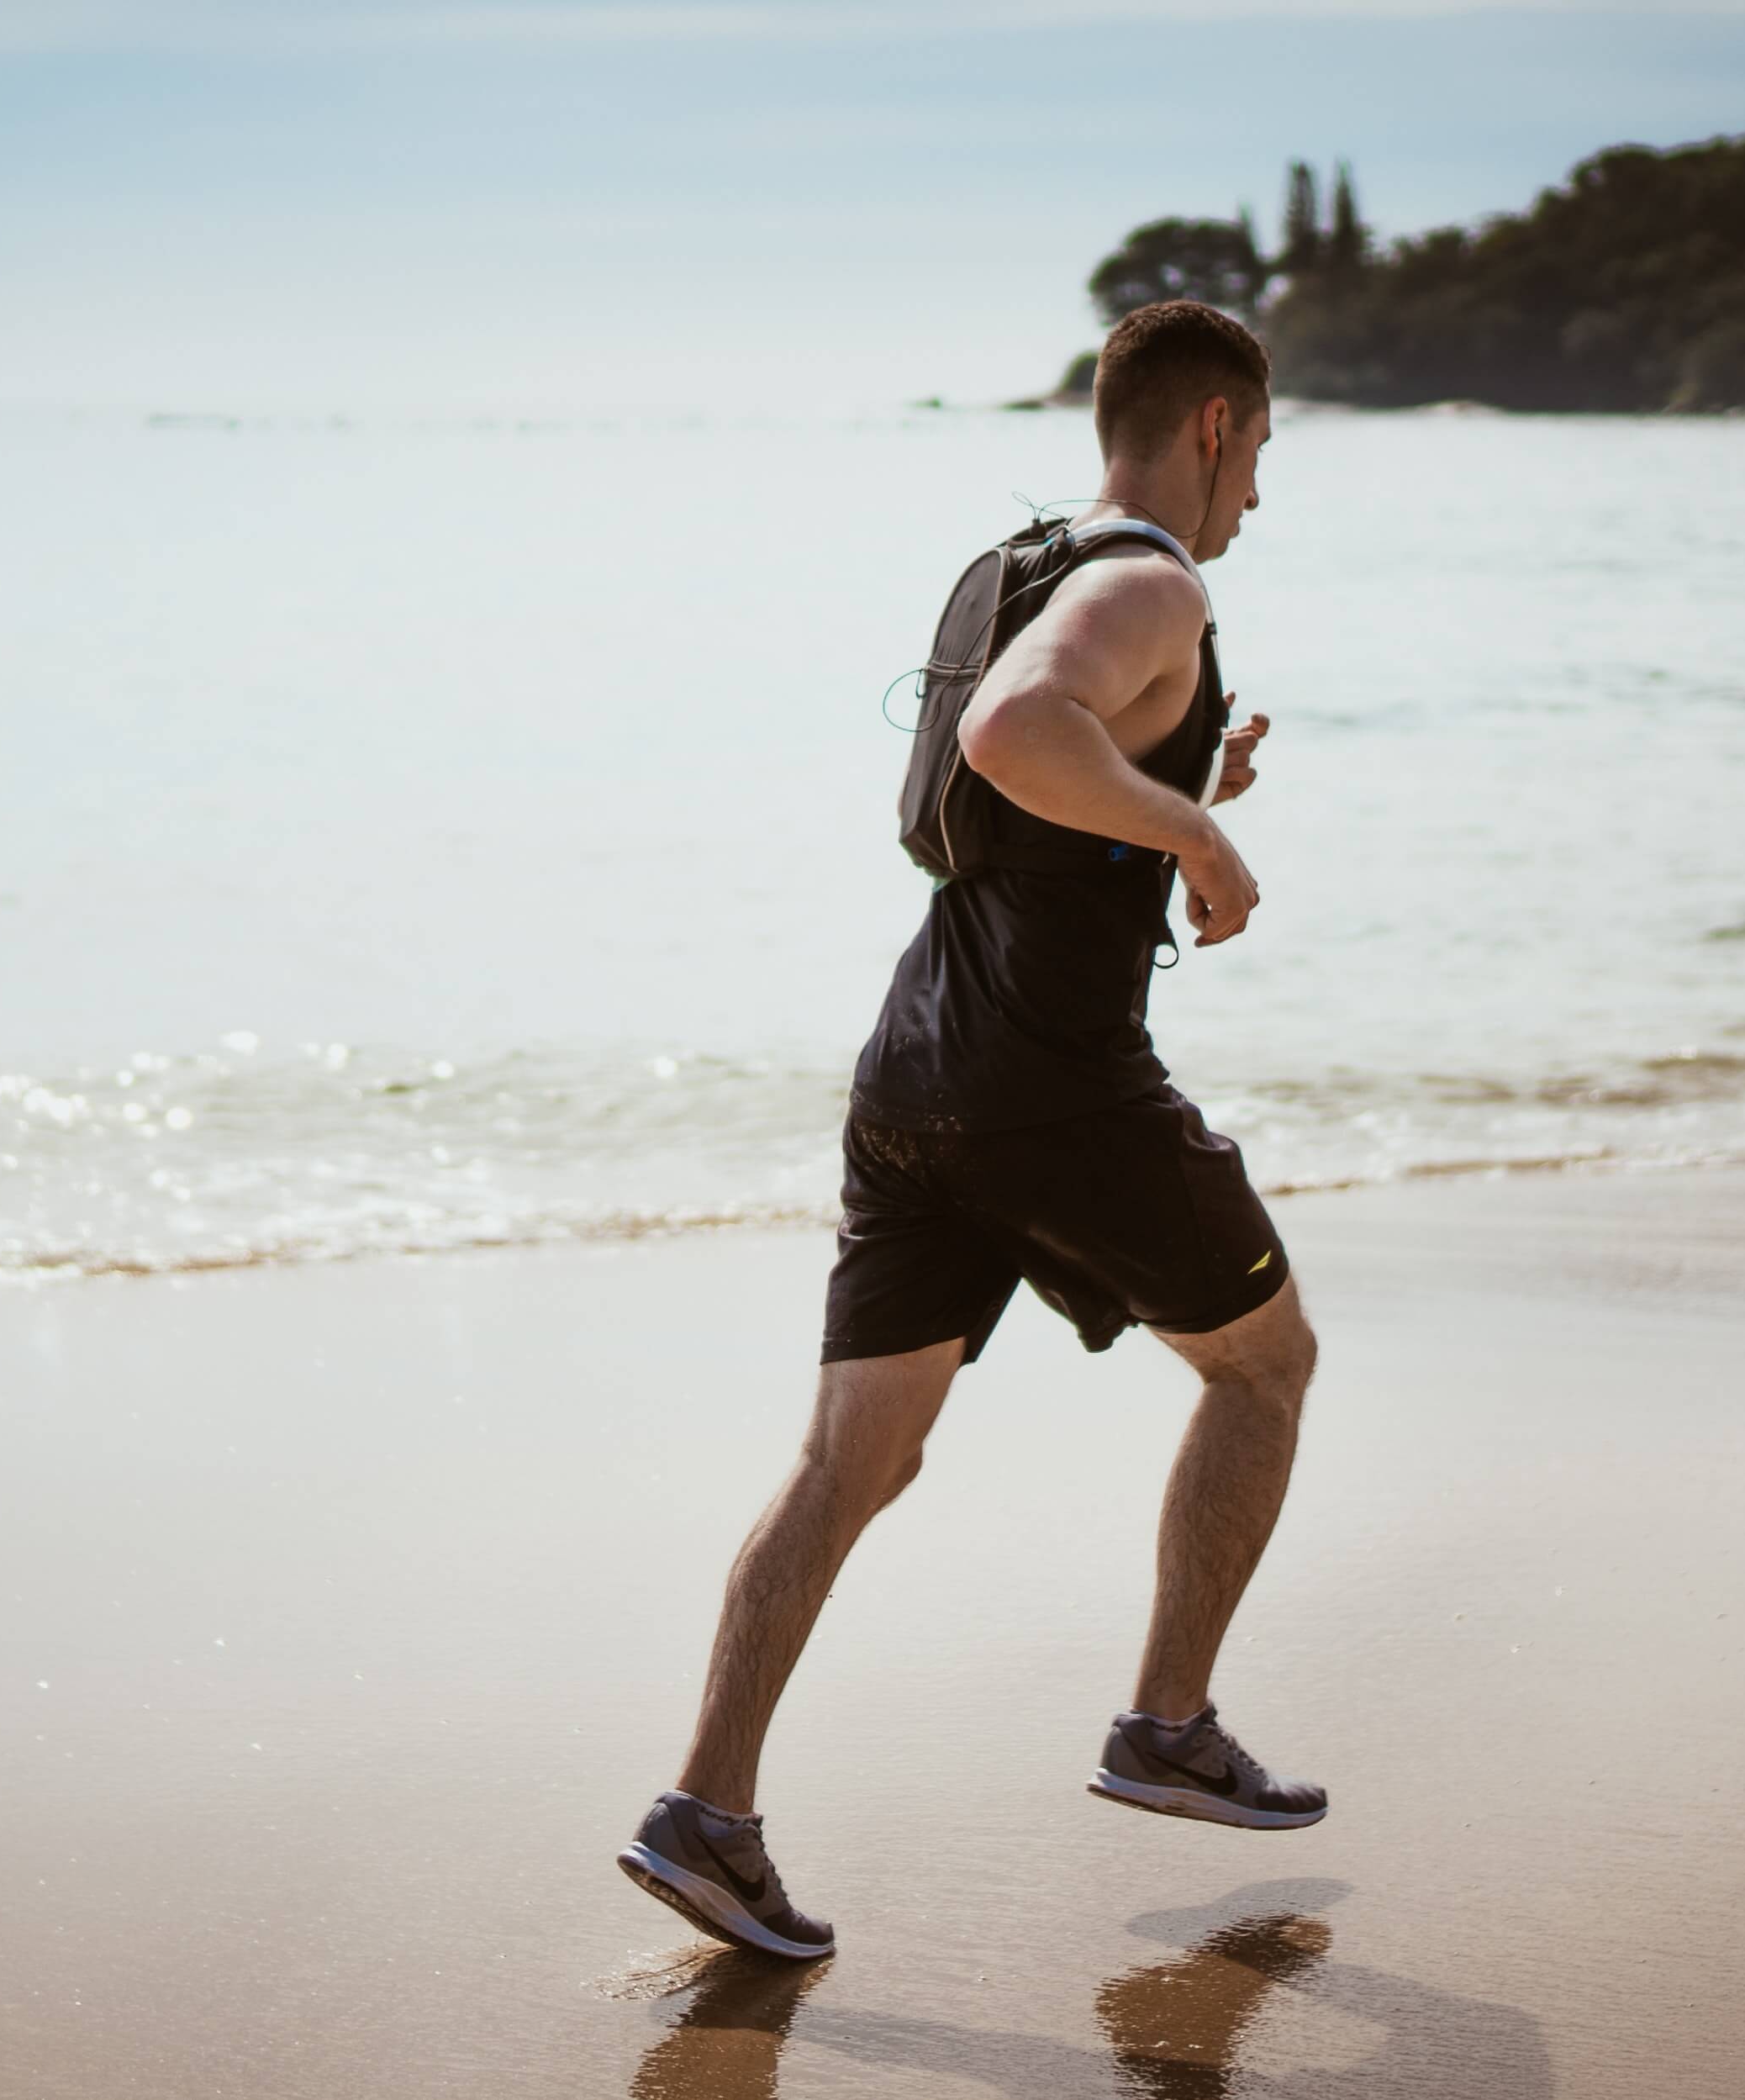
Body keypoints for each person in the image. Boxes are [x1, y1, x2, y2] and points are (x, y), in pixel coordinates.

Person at [618, 300, 1325, 1961]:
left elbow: (1001, 801)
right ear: (1211, 428)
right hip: (1050, 1089)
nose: (1256, 504)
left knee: (849, 1462)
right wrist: (1198, 846)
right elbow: (1016, 738)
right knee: (1264, 1364)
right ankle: (1165, 1724)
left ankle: (702, 1813)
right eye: (1262, 458)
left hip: (913, 1073)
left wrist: (1166, 795)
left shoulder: (1017, 566)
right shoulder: (1154, 581)